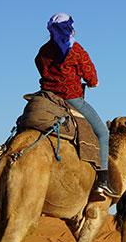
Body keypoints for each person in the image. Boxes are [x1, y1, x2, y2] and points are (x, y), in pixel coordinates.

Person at [35, 13, 119, 198]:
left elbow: (39, 65)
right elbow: (91, 75)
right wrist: (92, 82)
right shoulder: (76, 50)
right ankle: (102, 181)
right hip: (71, 98)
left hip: (46, 97)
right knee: (103, 133)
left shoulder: (43, 50)